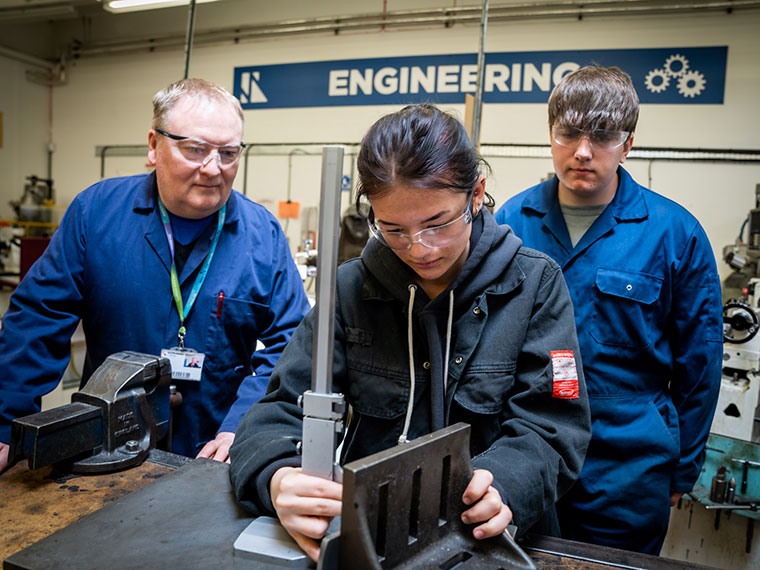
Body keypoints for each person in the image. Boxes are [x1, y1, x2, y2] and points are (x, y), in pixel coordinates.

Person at [229, 104, 591, 562]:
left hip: (485, 542)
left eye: (437, 224)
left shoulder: (534, 286)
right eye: (394, 229)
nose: (419, 249)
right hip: (372, 539)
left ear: (476, 195)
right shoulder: (349, 290)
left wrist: (502, 486)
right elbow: (279, 408)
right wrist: (277, 476)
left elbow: (553, 426)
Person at [0, 78, 310, 471]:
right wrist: (6, 423)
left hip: (213, 451)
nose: (214, 168)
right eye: (195, 149)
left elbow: (295, 344)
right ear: (153, 146)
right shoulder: (96, 214)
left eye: (229, 153)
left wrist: (246, 424)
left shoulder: (261, 235)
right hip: (107, 443)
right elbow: (36, 320)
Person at [494, 65, 723, 554]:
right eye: (568, 133)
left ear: (628, 143)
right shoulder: (511, 221)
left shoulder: (674, 233)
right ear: (550, 134)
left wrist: (683, 467)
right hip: (526, 455)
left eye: (602, 136)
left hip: (626, 469)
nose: (582, 151)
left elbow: (700, 365)